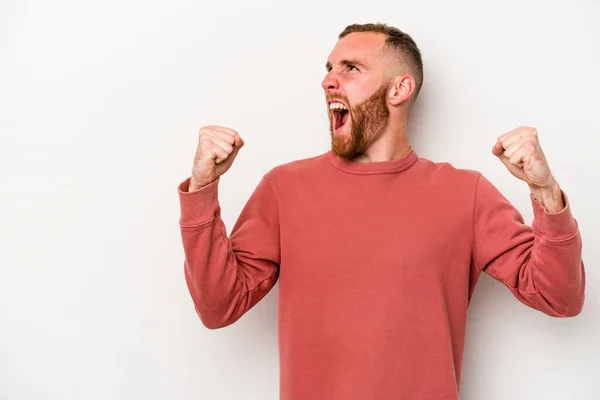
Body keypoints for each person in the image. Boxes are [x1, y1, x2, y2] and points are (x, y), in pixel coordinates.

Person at [176, 23, 585, 400]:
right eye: (329, 68)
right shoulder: (284, 188)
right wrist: (201, 189)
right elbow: (218, 306)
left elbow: (559, 297)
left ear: (399, 89)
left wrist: (544, 190)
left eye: (351, 68)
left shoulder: (465, 193)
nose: (328, 80)